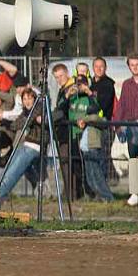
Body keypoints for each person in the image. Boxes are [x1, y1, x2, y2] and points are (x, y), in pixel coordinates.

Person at [114, 53, 138, 206]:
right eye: (132, 65)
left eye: (137, 64)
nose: (135, 67)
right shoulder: (126, 84)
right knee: (133, 157)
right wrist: (118, 125)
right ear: (129, 66)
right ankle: (135, 192)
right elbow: (122, 105)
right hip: (131, 125)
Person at [53, 63, 91, 199]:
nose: (59, 79)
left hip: (72, 130)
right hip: (65, 131)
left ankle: (72, 193)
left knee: (70, 163)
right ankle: (71, 192)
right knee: (67, 163)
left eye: (61, 76)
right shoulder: (63, 88)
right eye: (56, 77)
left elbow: (65, 108)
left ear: (67, 73)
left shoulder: (72, 88)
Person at [0, 88, 43, 200]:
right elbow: (15, 124)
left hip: (35, 146)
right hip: (25, 145)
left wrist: (17, 121)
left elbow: (25, 121)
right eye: (24, 99)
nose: (27, 101)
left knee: (12, 173)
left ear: (34, 99)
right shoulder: (25, 112)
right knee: (8, 168)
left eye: (30, 98)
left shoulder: (38, 108)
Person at [77, 99, 114, 202]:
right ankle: (99, 195)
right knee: (90, 177)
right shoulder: (88, 122)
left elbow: (94, 118)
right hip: (86, 149)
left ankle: (107, 196)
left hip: (93, 149)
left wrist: (83, 119)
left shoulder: (98, 119)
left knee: (97, 175)